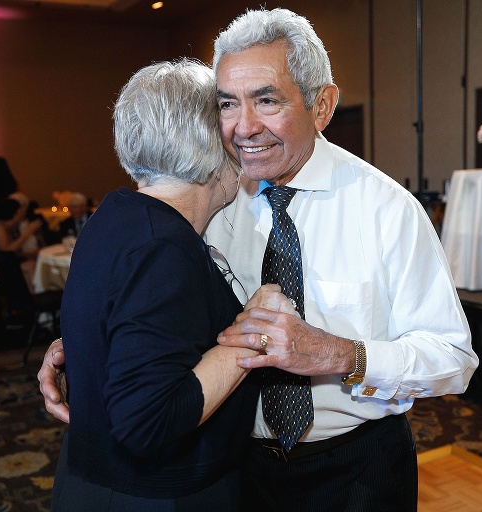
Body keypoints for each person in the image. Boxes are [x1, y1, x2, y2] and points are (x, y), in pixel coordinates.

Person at [40, 8, 478, 512]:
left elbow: (453, 359)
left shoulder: (387, 210)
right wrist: (95, 341)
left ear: (323, 105)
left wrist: (341, 355)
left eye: (266, 100)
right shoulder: (214, 193)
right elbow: (166, 306)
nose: (244, 128)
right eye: (228, 104)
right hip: (234, 466)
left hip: (357, 467)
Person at [49, 59, 297, 511]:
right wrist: (255, 330)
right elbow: (148, 421)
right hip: (156, 496)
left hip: (95, 480)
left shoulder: (115, 216)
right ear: (212, 147)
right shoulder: (162, 245)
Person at [0, 195, 42, 288]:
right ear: (15, 213)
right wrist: (28, 232)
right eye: (21, 209)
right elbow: (7, 251)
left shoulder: (5, 227)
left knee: (30, 265)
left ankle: (31, 298)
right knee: (29, 267)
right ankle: (32, 298)